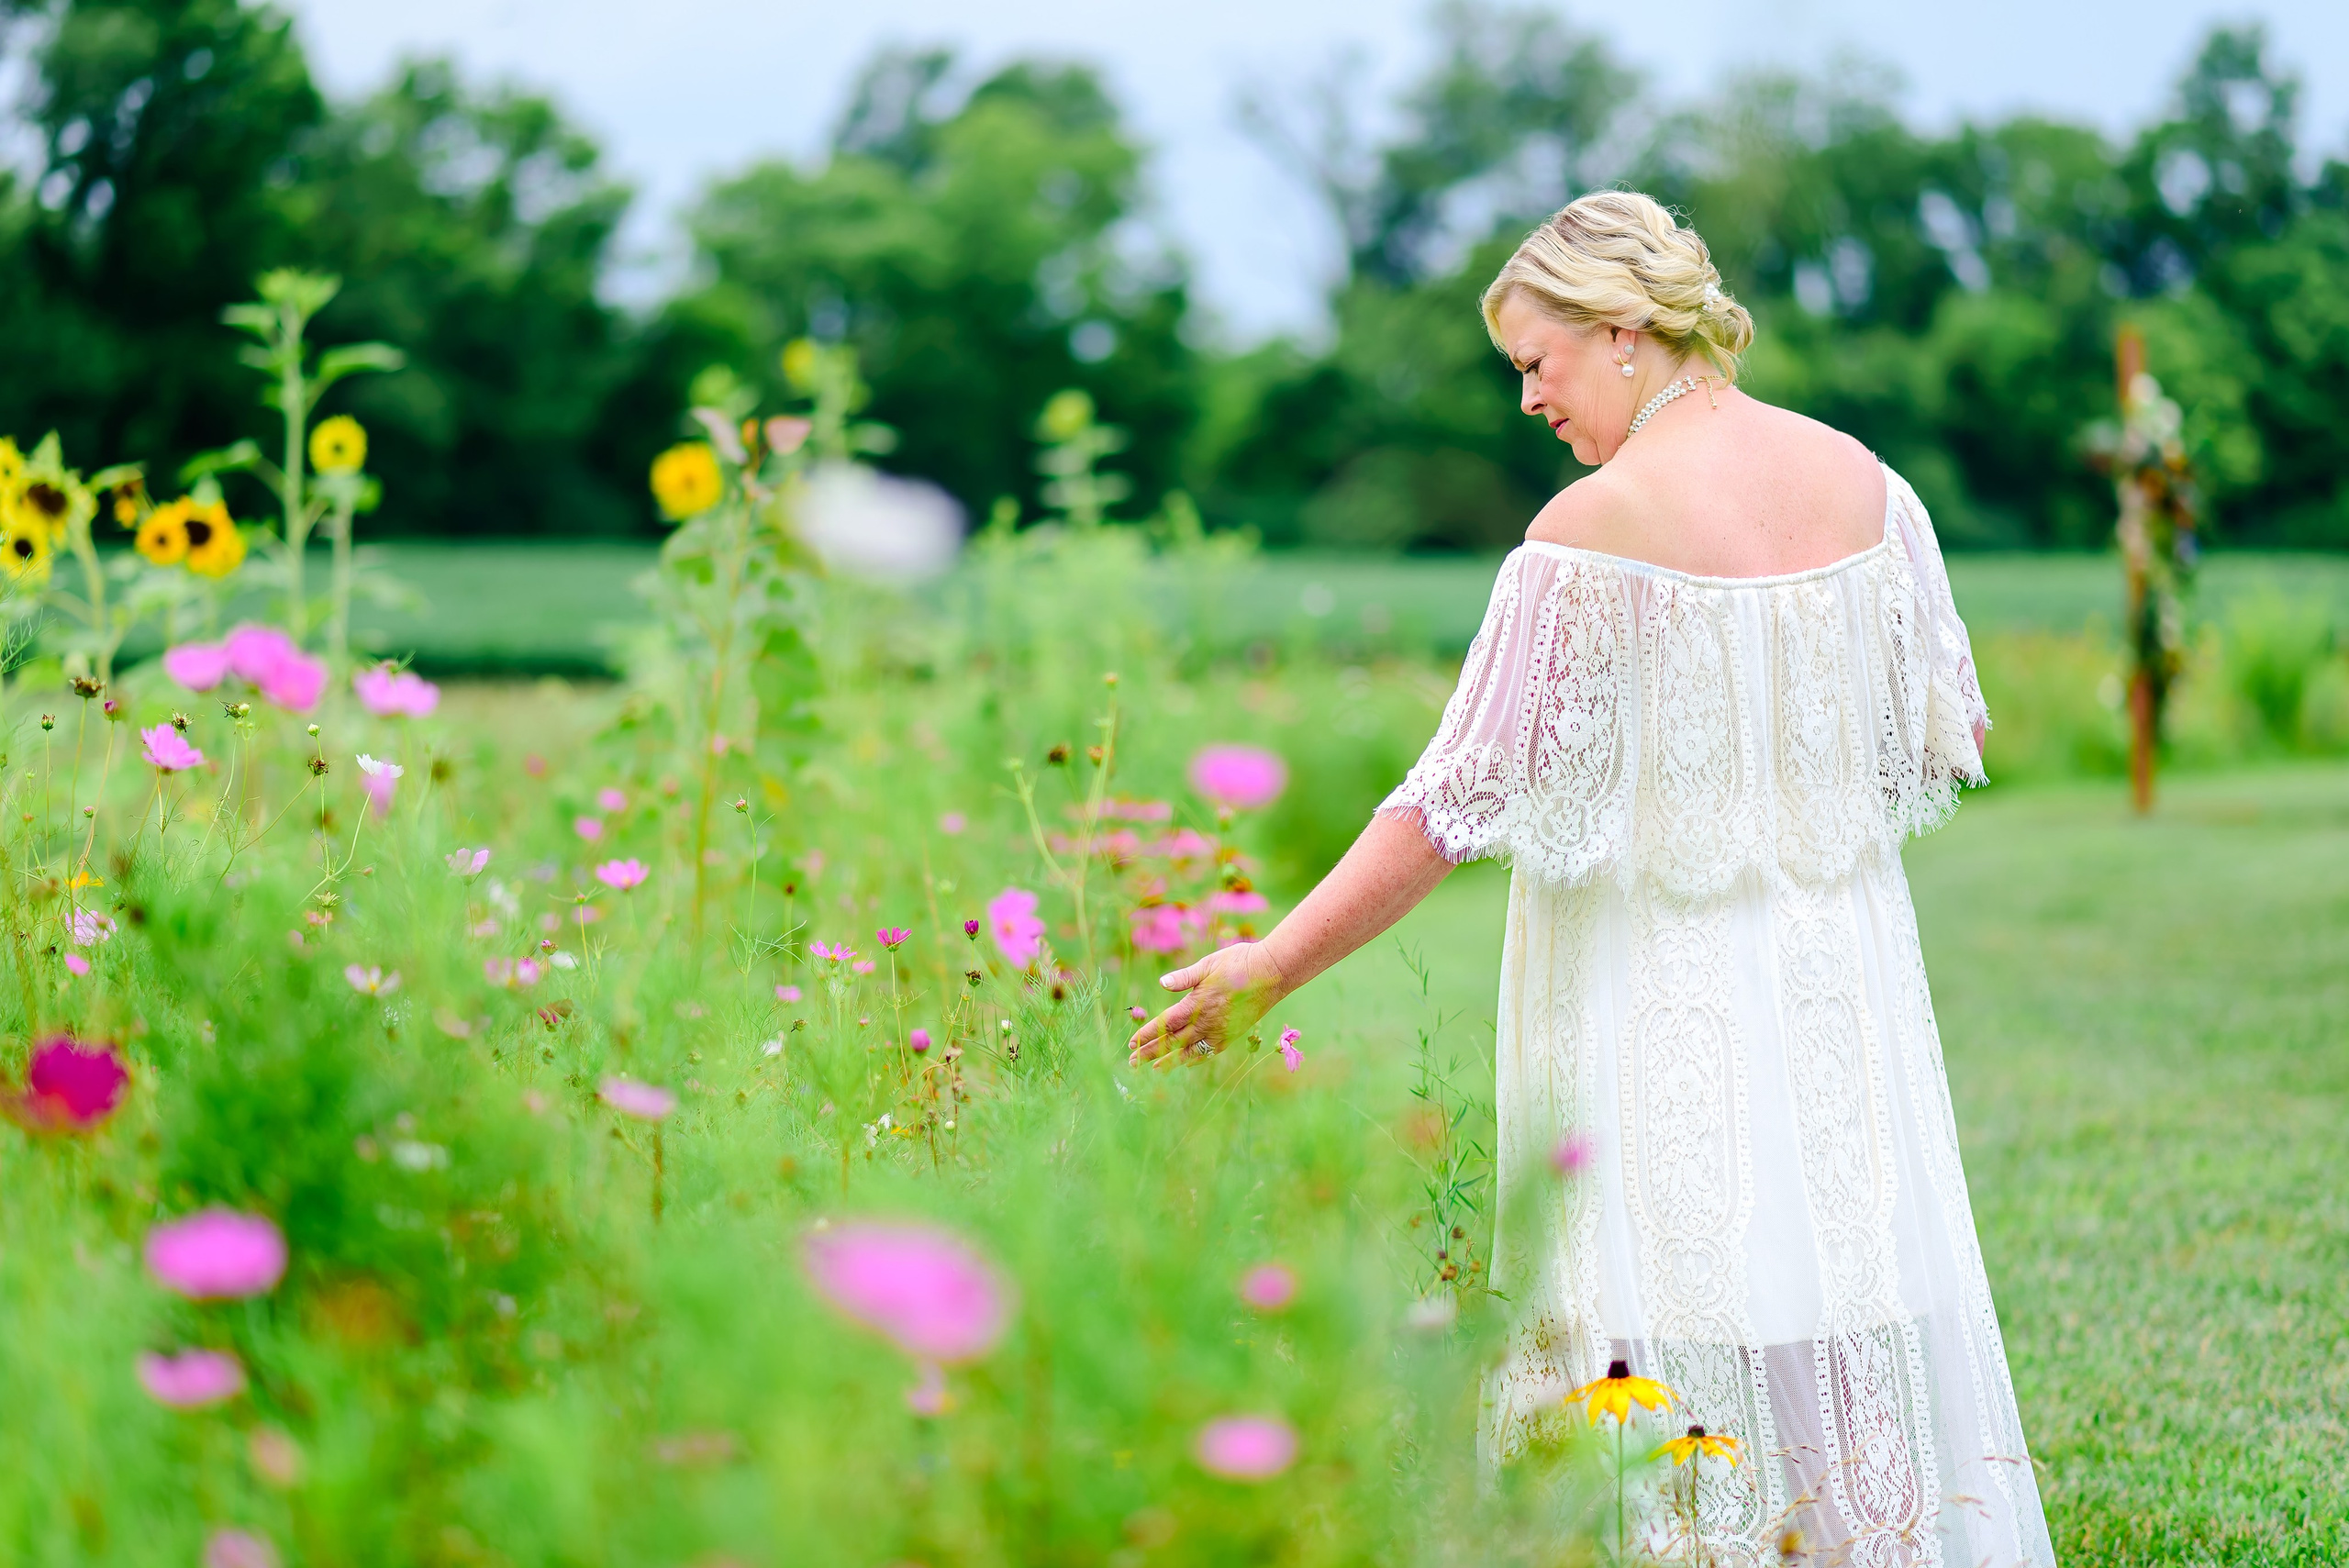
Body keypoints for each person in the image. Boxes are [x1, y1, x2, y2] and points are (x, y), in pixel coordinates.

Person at [1130, 190, 2054, 1566]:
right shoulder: (1872, 486)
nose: (1528, 402)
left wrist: (1269, 965)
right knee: (1829, 1278)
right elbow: (1950, 728)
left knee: (1663, 1301)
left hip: (1655, 992)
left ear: (1622, 331)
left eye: (1535, 363)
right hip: (1836, 984)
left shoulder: (1586, 533)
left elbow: (1445, 805)